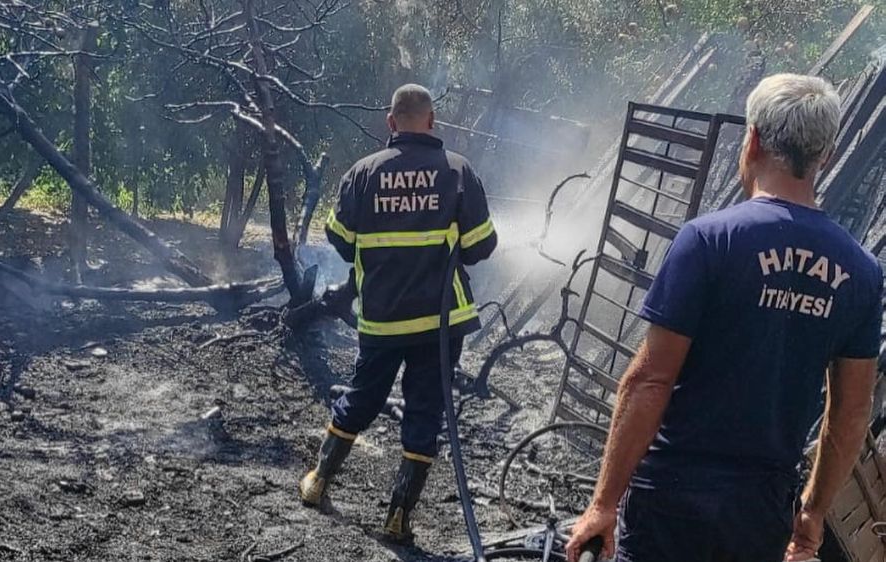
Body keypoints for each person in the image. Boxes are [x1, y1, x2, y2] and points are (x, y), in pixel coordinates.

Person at [566, 73, 883, 562]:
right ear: (827, 156)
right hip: (759, 512)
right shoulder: (860, 272)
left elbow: (649, 380)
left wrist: (603, 504)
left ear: (752, 139)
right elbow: (849, 415)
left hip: (670, 499)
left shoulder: (709, 240)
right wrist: (811, 517)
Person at [299, 83, 498, 543]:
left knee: (364, 395)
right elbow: (480, 247)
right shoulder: (457, 171)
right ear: (431, 122)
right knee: (425, 411)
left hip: (382, 318)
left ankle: (318, 482)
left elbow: (341, 240)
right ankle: (398, 517)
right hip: (440, 323)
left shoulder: (363, 173)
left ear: (391, 123)